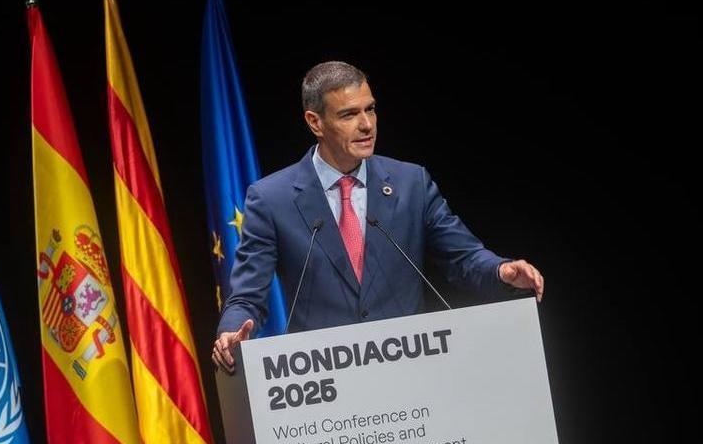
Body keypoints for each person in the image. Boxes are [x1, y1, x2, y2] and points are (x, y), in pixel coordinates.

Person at [212, 61, 544, 371]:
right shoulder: (272, 199)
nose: (366, 125)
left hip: (410, 371)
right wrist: (231, 332)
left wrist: (500, 269)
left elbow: (463, 257)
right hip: (327, 382)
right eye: (348, 115)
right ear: (315, 122)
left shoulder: (411, 183)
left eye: (370, 109)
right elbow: (247, 296)